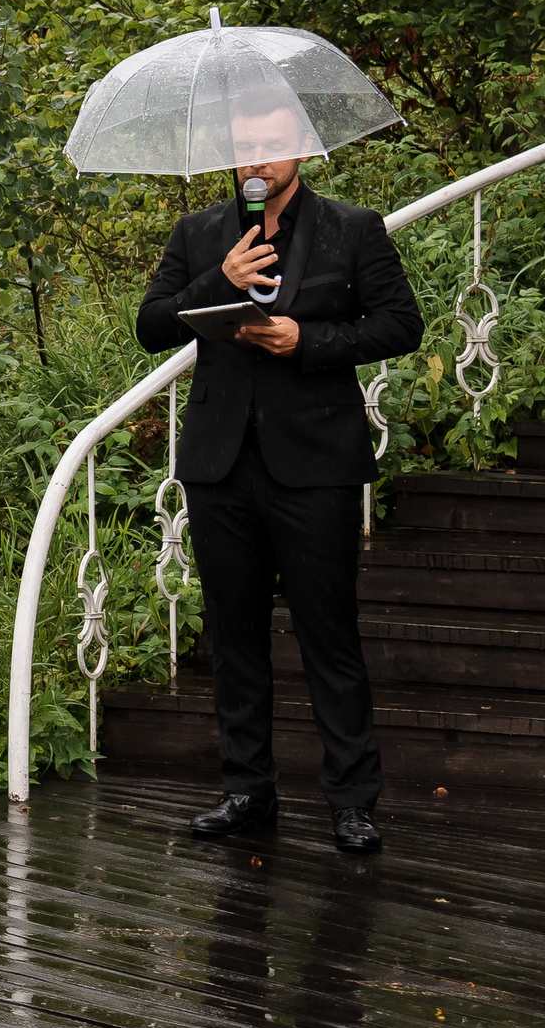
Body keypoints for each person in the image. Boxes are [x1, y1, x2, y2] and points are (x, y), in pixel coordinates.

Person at [134, 99, 422, 854]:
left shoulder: (351, 229)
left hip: (316, 464)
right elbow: (151, 323)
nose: (257, 161)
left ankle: (352, 800)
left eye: (272, 146)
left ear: (301, 149)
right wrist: (212, 281)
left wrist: (306, 339)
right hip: (220, 465)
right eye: (245, 148)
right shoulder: (199, 233)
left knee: (330, 635)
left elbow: (400, 324)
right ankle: (246, 790)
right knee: (235, 636)